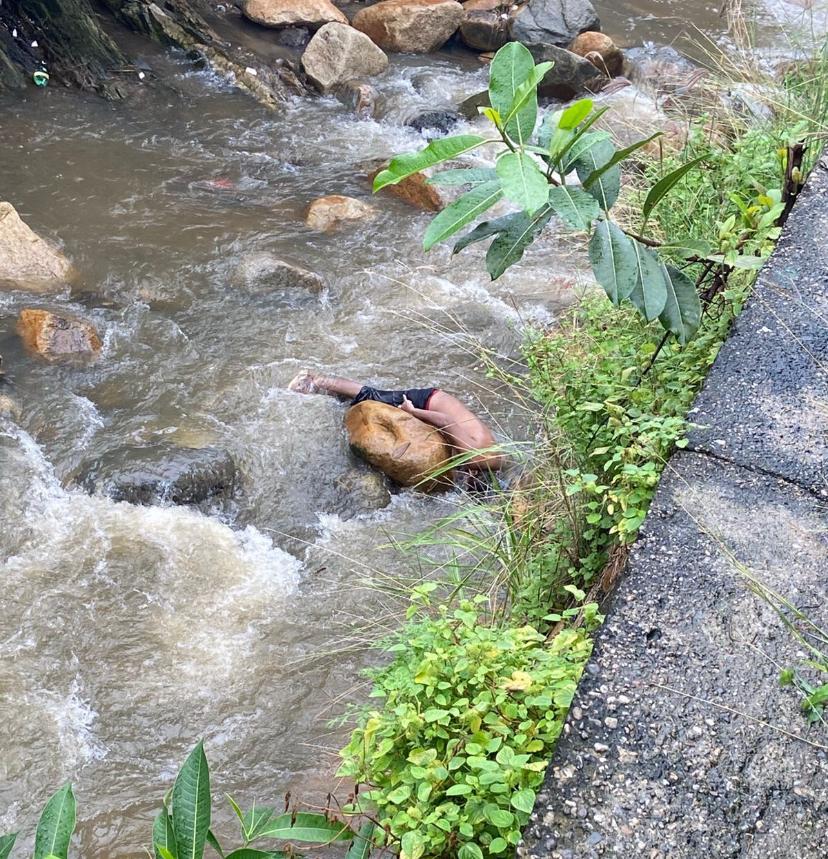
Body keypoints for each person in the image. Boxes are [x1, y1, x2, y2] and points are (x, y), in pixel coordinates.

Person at [288, 371, 504, 472]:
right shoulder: (480, 459)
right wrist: (413, 411)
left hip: (443, 403)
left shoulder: (493, 455)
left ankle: (335, 396)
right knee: (372, 396)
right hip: (429, 401)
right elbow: (446, 420)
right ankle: (315, 380)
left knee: (366, 399)